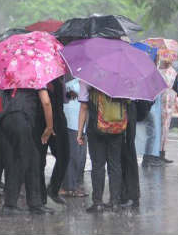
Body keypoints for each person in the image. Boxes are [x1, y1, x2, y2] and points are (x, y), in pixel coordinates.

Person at [0, 87, 54, 215]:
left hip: (7, 118)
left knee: (33, 158)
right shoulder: (35, 73)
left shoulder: (12, 74)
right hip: (20, 119)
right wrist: (49, 127)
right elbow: (46, 101)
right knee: (22, 160)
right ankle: (10, 205)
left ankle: (35, 204)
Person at [77, 81, 123, 213]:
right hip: (117, 127)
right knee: (115, 165)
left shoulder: (88, 78)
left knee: (98, 165)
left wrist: (80, 132)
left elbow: (84, 107)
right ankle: (115, 202)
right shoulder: (120, 76)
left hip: (96, 127)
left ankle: (98, 202)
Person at [37, 78, 69, 205]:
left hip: (56, 120)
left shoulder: (57, 77)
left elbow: (60, 99)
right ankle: (41, 196)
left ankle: (51, 190)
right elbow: (46, 102)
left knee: (63, 156)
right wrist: (50, 126)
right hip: (42, 121)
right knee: (40, 160)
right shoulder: (38, 75)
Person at [60, 79, 88, 198]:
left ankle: (74, 184)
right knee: (74, 155)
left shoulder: (82, 77)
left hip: (80, 121)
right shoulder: (69, 79)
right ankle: (69, 187)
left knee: (79, 155)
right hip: (72, 120)